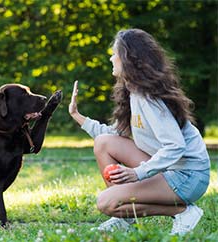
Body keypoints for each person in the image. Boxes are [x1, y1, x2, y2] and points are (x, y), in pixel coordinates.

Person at [68, 28, 210, 235]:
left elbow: (175, 145)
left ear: (128, 58)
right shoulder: (133, 92)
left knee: (106, 202)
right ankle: (125, 218)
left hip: (189, 176)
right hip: (171, 169)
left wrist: (138, 173)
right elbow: (114, 135)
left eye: (114, 53)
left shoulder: (148, 98)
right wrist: (78, 117)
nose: (111, 57)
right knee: (103, 142)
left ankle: (183, 211)